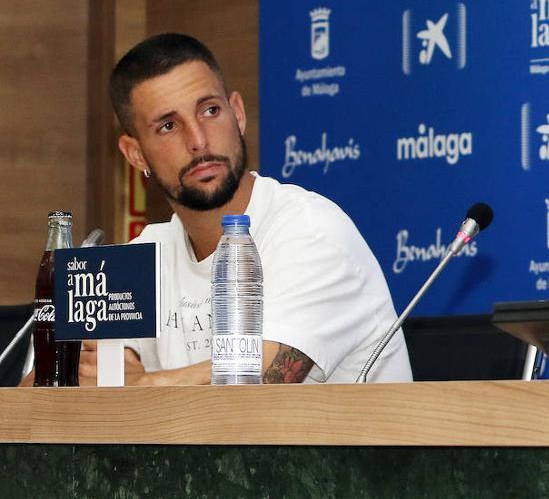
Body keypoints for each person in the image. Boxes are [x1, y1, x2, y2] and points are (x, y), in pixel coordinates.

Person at [99, 33, 410, 384]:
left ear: (238, 114)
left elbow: (262, 382)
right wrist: (102, 366)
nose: (198, 141)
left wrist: (143, 383)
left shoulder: (311, 232)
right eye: (169, 126)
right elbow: (47, 390)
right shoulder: (144, 257)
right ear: (136, 154)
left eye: (210, 111)